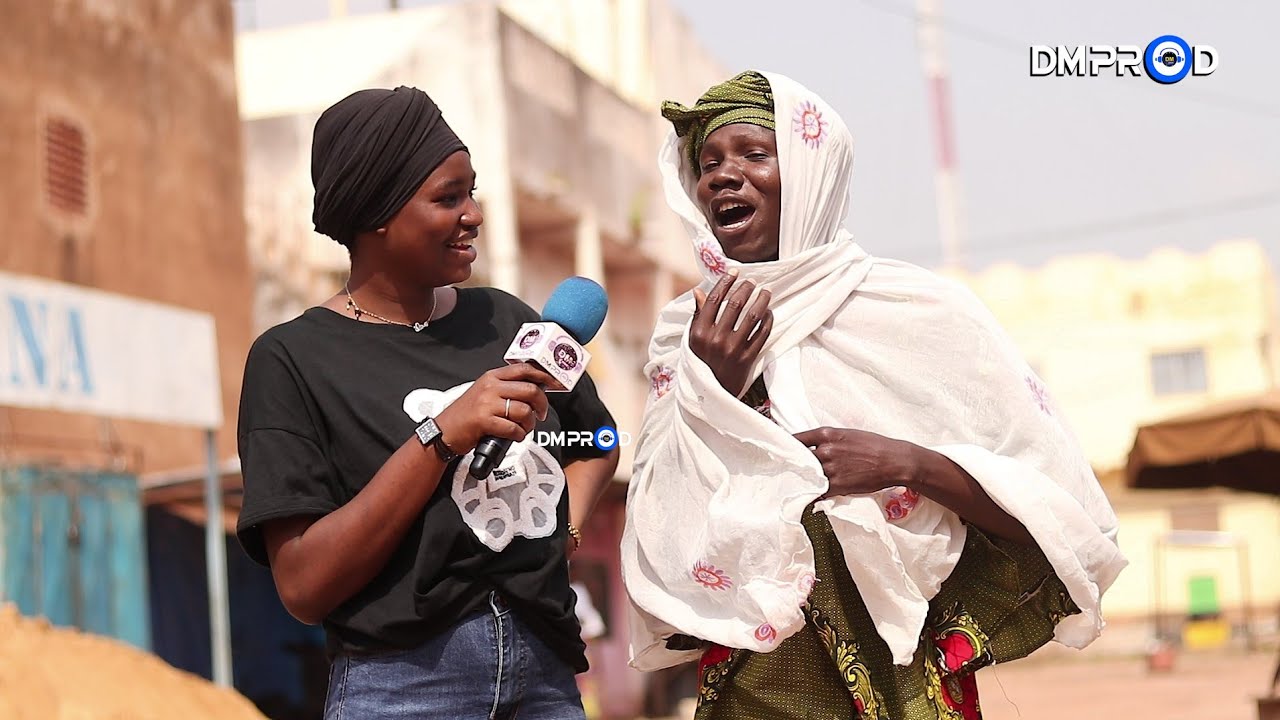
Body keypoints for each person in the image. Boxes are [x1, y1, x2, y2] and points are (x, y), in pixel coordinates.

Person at [621, 71, 1127, 719]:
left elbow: (1053, 512)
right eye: (709, 163)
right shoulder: (687, 334)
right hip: (754, 685)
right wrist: (713, 389)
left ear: (811, 172)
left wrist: (902, 463)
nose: (722, 175)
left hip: (906, 680)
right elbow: (660, 530)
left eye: (753, 153)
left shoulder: (921, 311)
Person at [236, 86, 619, 720]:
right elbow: (303, 586)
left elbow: (598, 443)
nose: (473, 213)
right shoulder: (292, 360)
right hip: (403, 687)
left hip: (544, 676)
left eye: (472, 191)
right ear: (376, 213)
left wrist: (562, 530)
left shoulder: (505, 320)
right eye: (448, 197)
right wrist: (440, 436)